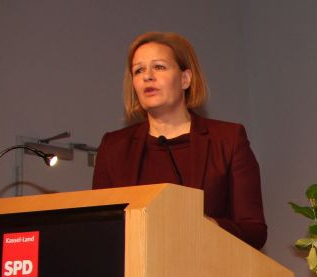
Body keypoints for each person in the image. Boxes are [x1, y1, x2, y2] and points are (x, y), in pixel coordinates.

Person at [92, 31, 267, 249]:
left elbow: (254, 231)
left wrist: (208, 226)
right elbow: (98, 228)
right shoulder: (113, 147)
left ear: (185, 79)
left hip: (208, 266)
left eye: (159, 67)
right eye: (139, 70)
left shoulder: (228, 140)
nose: (147, 76)